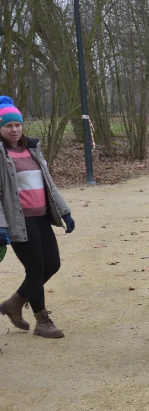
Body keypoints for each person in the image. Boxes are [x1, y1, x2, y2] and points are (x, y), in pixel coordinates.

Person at [0, 95, 75, 338]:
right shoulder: (1, 155)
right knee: (35, 269)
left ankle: (14, 302)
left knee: (52, 264)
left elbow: (49, 184)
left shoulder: (32, 149)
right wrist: (1, 226)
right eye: (8, 125)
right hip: (19, 221)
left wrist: (65, 211)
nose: (14, 129)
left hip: (41, 217)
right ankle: (42, 321)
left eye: (17, 124)